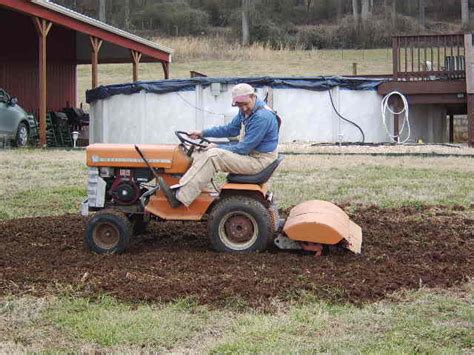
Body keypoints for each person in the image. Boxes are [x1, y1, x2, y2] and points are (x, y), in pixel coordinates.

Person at [158, 83, 280, 208]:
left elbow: (243, 148)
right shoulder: (247, 111)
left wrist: (217, 147)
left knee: (213, 156)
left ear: (253, 97)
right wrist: (202, 132)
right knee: (198, 151)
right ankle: (193, 189)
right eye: (239, 105)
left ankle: (180, 197)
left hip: (258, 160)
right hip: (252, 154)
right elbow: (230, 129)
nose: (242, 108)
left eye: (245, 104)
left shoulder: (262, 117)